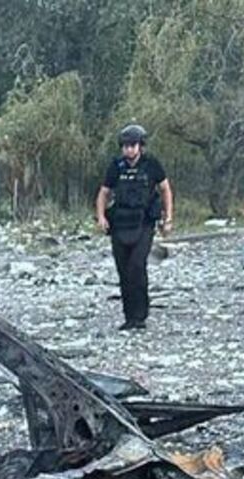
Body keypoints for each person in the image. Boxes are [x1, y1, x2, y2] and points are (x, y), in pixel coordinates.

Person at [95, 124, 173, 331]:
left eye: (133, 145)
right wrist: (101, 216)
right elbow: (104, 192)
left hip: (144, 223)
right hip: (120, 223)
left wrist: (168, 218)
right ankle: (129, 317)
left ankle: (140, 315)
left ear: (140, 146)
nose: (129, 149)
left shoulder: (151, 165)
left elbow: (165, 190)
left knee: (137, 266)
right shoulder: (116, 166)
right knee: (123, 270)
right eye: (125, 146)